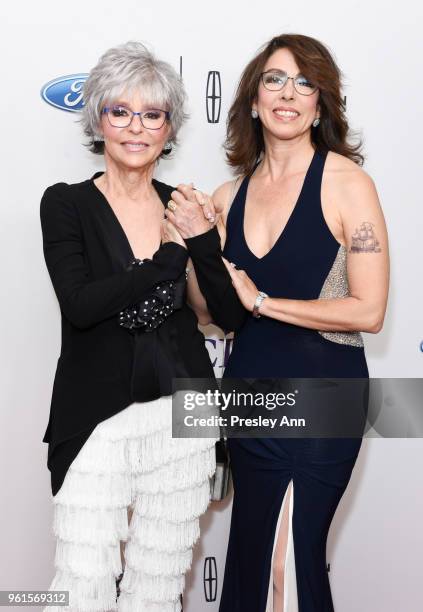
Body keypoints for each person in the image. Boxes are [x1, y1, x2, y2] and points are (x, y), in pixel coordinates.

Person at [165, 33, 389, 612]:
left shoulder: (347, 183)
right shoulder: (228, 194)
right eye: (274, 79)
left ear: (321, 103)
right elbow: (213, 312)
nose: (289, 93)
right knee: (250, 557)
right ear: (253, 99)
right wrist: (193, 247)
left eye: (304, 82)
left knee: (288, 560)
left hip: (323, 398)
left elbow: (368, 309)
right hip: (249, 399)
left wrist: (263, 301)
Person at [40, 41, 218, 612]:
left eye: (153, 114)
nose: (136, 127)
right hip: (96, 414)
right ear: (98, 119)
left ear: (169, 128)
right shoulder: (65, 204)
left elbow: (225, 317)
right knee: (81, 585)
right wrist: (170, 256)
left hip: (184, 412)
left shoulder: (185, 206)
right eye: (121, 111)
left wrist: (205, 245)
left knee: (159, 586)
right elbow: (82, 304)